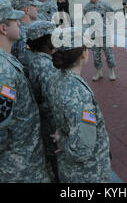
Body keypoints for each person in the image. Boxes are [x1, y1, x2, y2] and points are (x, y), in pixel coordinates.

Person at [0, 0, 51, 182]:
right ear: (3, 29)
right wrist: (13, 152)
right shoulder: (2, 74)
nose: (19, 22)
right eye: (14, 20)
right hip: (19, 168)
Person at [50, 27, 111, 183]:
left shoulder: (57, 78)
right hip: (88, 174)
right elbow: (82, 150)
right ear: (83, 54)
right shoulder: (79, 95)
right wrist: (62, 140)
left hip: (70, 171)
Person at [24, 20, 60, 181]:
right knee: (60, 164)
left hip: (48, 124)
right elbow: (52, 101)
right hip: (54, 125)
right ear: (46, 40)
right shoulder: (45, 65)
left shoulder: (38, 59)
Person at [83, 0, 116, 81]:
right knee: (96, 55)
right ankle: (99, 72)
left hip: (105, 34)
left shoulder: (105, 5)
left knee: (109, 54)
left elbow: (112, 13)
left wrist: (108, 24)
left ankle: (112, 71)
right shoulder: (86, 7)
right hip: (94, 35)